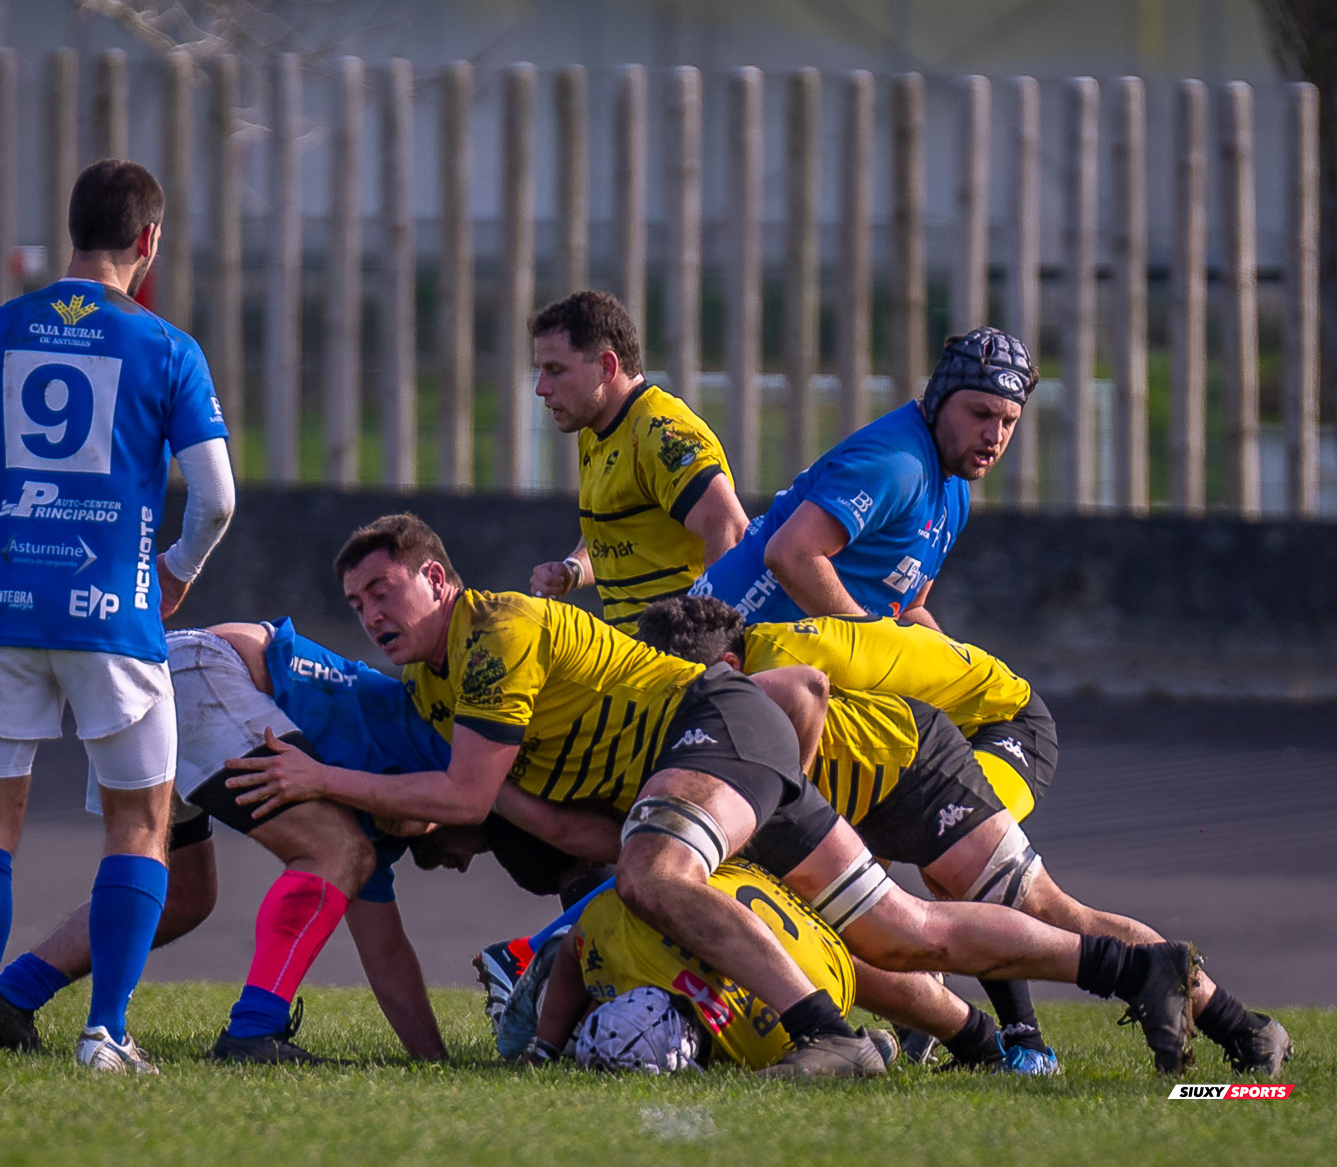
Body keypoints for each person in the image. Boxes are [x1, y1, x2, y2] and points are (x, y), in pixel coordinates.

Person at [227, 514, 1204, 1077]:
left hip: (721, 732)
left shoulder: (497, 633)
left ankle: (828, 1039)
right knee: (898, 931)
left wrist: (318, 775)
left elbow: (466, 790)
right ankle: (1139, 970)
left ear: (436, 579)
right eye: (356, 606)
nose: (369, 615)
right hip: (720, 756)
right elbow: (503, 807)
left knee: (653, 872)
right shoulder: (441, 680)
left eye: (383, 593)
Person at [654, 596, 1292, 1077]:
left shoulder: (785, 663)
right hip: (906, 756)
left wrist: (784, 801)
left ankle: (1236, 1027)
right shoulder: (762, 658)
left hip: (967, 741)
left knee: (1041, 909)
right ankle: (1001, 1037)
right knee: (908, 918)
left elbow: (816, 686)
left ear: (729, 664)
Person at [0, 159, 236, 1072]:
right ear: (149, 241)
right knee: (138, 824)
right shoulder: (168, 347)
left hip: (6, 611)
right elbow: (215, 500)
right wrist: (172, 572)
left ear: (70, 232)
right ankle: (106, 1034)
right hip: (113, 617)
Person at [0, 617, 454, 1064]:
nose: (466, 865)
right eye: (477, 845)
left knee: (184, 896)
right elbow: (457, 795)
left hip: (168, 675)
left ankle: (11, 997)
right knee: (334, 850)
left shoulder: (378, 825)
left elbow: (385, 950)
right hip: (200, 671)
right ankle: (255, 1031)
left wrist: (434, 1062)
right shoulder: (422, 743)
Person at [693, 326, 1033, 629]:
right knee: (807, 693)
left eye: (1008, 421)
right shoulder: (898, 466)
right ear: (939, 401)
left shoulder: (955, 489)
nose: (994, 435)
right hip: (721, 652)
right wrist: (872, 645)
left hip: (789, 660)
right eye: (980, 414)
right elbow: (791, 554)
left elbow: (907, 609)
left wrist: (955, 668)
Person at [526, 291, 746, 628]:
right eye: (541, 370)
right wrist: (572, 570)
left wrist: (711, 644)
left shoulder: (658, 432)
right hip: (632, 654)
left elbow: (729, 527)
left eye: (555, 370)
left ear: (607, 367)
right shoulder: (596, 431)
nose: (541, 387)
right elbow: (620, 537)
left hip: (673, 661)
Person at [530, 858, 858, 1073]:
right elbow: (573, 950)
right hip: (770, 882)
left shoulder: (764, 1052)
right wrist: (544, 1045)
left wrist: (544, 1047)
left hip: (835, 974)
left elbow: (574, 952)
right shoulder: (609, 931)